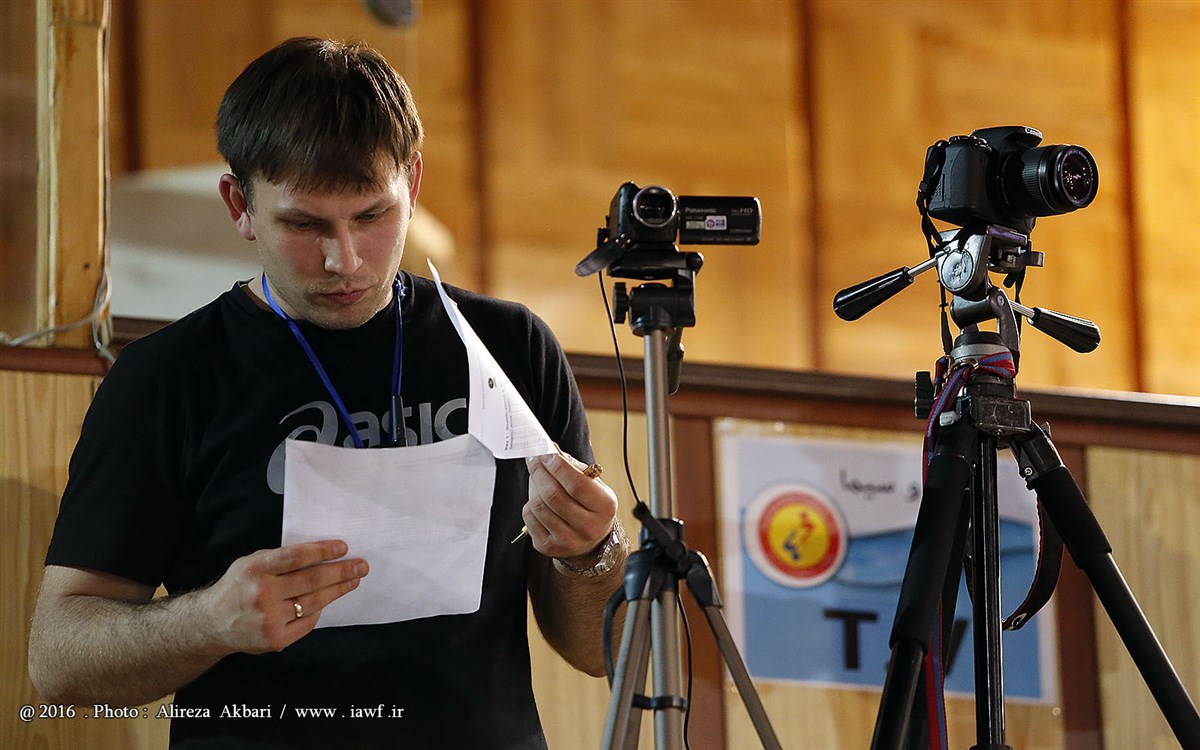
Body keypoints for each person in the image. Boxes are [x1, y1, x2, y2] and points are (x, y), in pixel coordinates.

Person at [28, 37, 628, 749]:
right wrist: (209, 621)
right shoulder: (168, 376)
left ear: (414, 182)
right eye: (304, 224)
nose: (344, 260)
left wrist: (590, 553)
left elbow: (597, 653)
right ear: (240, 204)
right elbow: (58, 661)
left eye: (372, 216)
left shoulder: (511, 343)